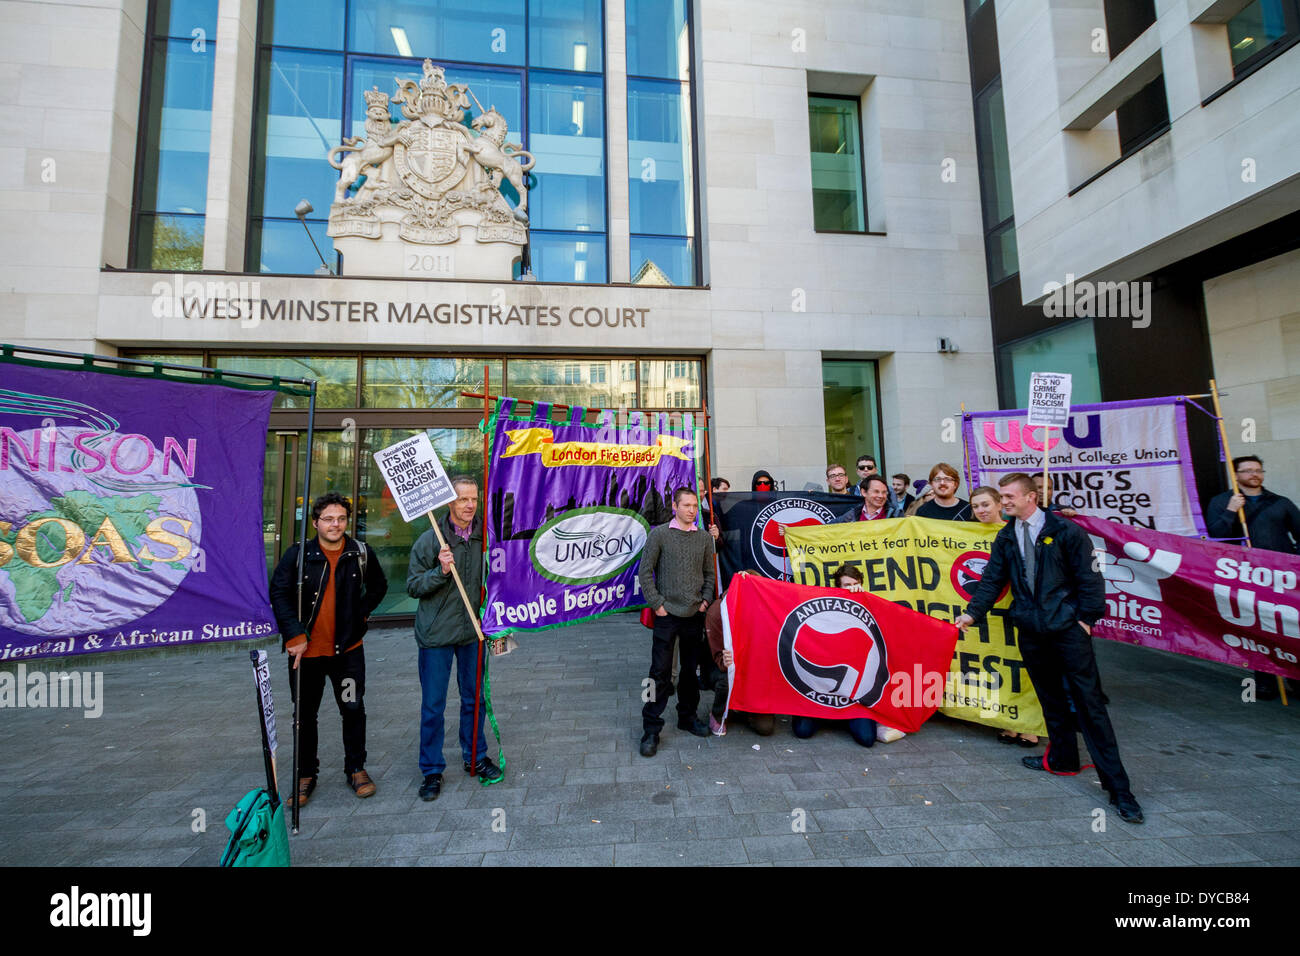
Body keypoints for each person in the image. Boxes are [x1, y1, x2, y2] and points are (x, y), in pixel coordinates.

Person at [955, 473, 1143, 824]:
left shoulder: (1067, 531)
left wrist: (1086, 618)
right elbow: (993, 579)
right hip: (1030, 629)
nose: (1004, 501)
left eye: (1010, 496)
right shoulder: (1007, 536)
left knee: (1090, 705)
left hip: (1068, 629)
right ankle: (1063, 759)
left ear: (1031, 497)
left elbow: (1090, 578)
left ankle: (1120, 790)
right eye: (1002, 496)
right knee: (1050, 697)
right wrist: (971, 614)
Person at [270, 492, 389, 808]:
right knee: (305, 716)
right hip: (306, 656)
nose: (335, 524)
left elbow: (379, 587)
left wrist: (360, 615)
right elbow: (279, 594)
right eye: (328, 519)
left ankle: (356, 768)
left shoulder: (360, 553)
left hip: (348, 653)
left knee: (352, 708)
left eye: (341, 518)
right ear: (315, 523)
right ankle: (306, 773)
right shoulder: (297, 556)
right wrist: (293, 634)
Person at [407, 476, 503, 801]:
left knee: (474, 700)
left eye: (474, 499)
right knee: (433, 706)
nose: (469, 505)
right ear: (450, 502)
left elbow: (497, 584)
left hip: (472, 632)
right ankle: (432, 770)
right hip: (436, 636)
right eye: (463, 499)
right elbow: (413, 586)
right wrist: (440, 572)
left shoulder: (485, 539)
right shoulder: (429, 540)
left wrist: (498, 624)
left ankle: (475, 756)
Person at [1206, 455, 1300, 698]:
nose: (1254, 474)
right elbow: (1216, 537)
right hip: (1246, 575)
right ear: (1236, 475)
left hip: (1282, 577)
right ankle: (1266, 682)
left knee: (1287, 627)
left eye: (1258, 470)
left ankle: (1295, 678)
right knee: (1256, 629)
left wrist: (1293, 560)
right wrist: (1231, 511)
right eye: (1247, 471)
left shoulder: (1280, 503)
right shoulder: (1222, 502)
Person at [638, 486, 717, 757]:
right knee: (657, 672)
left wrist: (705, 601)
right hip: (666, 614)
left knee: (690, 671)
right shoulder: (659, 535)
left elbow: (709, 574)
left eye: (695, 505)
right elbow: (645, 572)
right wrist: (657, 604)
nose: (692, 510)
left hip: (694, 613)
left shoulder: (705, 539)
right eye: (686, 505)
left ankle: (687, 717)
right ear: (675, 506)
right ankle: (650, 727)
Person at [790, 564, 903, 745]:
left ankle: (843, 719)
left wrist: (862, 597)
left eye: (855, 584)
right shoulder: (824, 608)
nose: (851, 588)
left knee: (867, 739)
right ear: (838, 587)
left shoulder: (871, 606)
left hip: (854, 698)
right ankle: (830, 717)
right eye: (846, 585)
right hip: (821, 692)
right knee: (802, 731)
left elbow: (891, 630)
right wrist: (748, 579)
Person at [968, 485, 1038, 747]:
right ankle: (1008, 721)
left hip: (1019, 608)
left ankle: (1031, 723)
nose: (980, 510)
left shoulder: (1015, 530)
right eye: (975, 506)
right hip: (987, 611)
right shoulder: (967, 530)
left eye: (985, 504)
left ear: (999, 504)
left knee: (1024, 666)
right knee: (998, 664)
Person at [704, 571, 776, 737]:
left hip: (753, 671)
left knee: (765, 728)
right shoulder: (716, 611)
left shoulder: (760, 608)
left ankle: (742, 708)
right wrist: (725, 660)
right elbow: (715, 655)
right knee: (725, 678)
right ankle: (717, 713)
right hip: (722, 668)